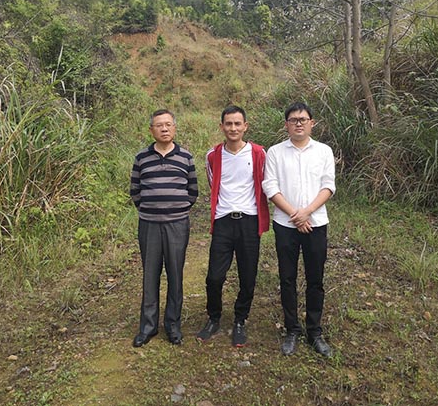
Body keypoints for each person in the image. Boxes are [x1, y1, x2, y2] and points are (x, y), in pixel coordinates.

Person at [262, 102, 336, 357]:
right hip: (285, 225)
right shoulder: (275, 152)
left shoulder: (324, 151)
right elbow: (270, 186)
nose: (298, 123)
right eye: (293, 120)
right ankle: (292, 329)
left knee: (315, 278)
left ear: (312, 123)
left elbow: (328, 185)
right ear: (286, 125)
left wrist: (307, 212)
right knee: (287, 277)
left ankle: (315, 331)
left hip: (316, 223)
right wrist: (295, 215)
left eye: (303, 119)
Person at [196, 105, 270, 347]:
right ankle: (213, 317)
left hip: (249, 220)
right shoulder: (213, 155)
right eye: (228, 123)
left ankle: (240, 319)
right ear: (221, 127)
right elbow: (214, 184)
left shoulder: (258, 153)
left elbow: (264, 183)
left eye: (238, 123)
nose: (233, 128)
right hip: (223, 220)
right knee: (214, 277)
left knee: (248, 276)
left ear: (245, 126)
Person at [130, 109, 198, 347]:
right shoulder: (141, 158)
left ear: (174, 128)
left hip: (177, 225)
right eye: (159, 125)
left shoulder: (185, 157)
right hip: (149, 225)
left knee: (175, 274)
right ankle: (148, 327)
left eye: (168, 124)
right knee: (150, 275)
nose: (164, 129)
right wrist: (150, 209)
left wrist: (176, 209)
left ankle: (173, 325)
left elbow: (193, 191)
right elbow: (135, 190)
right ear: (152, 130)